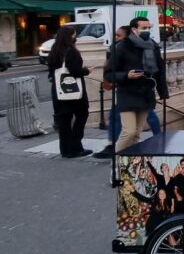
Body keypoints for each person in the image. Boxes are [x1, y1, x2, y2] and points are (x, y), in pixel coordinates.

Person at [106, 16, 169, 157]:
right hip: (128, 92)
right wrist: (126, 76)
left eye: (148, 28)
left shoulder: (153, 45)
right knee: (129, 131)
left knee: (137, 133)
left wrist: (163, 91)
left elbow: (160, 69)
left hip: (146, 92)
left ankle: (130, 164)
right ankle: (115, 161)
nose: (147, 30)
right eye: (143, 28)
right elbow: (109, 73)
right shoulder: (123, 46)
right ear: (134, 29)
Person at [48, 26, 92, 158]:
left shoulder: (54, 50)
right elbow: (75, 71)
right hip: (73, 91)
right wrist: (86, 70)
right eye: (74, 35)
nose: (76, 37)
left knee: (64, 121)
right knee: (82, 115)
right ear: (70, 36)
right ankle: (75, 146)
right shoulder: (71, 51)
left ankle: (65, 149)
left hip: (58, 90)